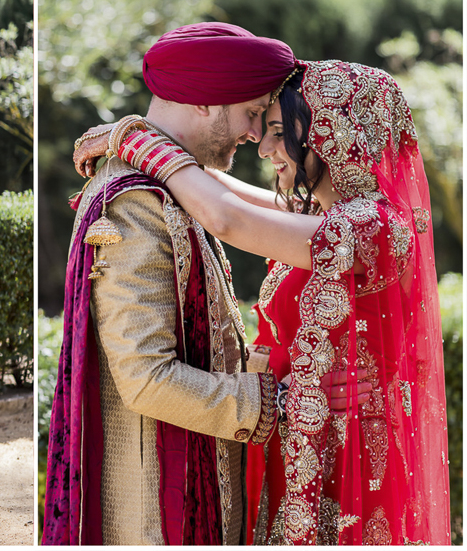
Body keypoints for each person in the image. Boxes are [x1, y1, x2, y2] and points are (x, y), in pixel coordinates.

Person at [75, 59, 450, 544]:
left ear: (331, 134)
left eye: (279, 131)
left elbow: (227, 218)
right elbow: (223, 191)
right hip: (292, 434)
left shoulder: (373, 229)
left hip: (344, 456)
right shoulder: (322, 213)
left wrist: (132, 138)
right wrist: (145, 135)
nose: (266, 147)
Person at [42, 22, 362, 546]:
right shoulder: (137, 202)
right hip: (157, 507)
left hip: (202, 480)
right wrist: (281, 400)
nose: (257, 135)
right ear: (209, 102)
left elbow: (232, 217)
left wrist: (132, 133)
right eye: (253, 113)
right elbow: (146, 377)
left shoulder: (172, 187)